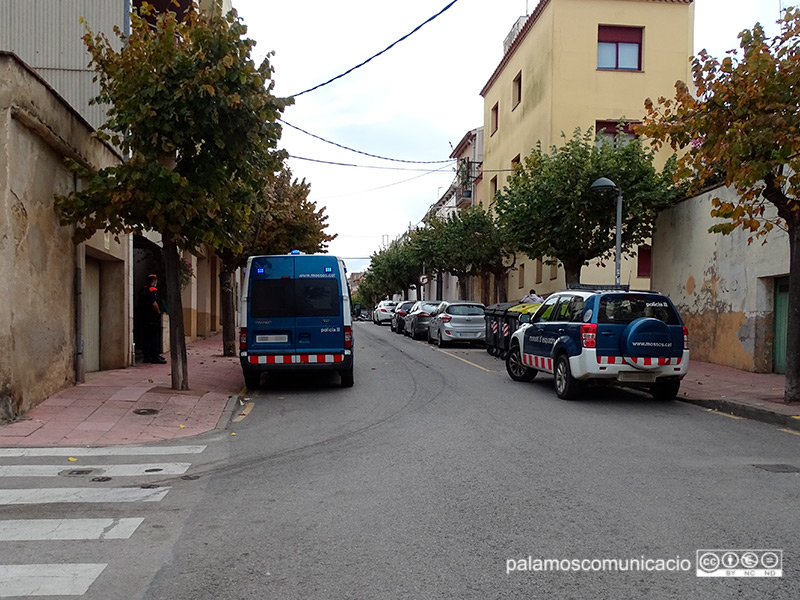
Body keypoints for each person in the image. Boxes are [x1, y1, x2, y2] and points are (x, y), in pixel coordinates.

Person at [138, 274, 167, 364]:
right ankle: (155, 356)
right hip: (152, 317)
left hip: (143, 317)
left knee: (146, 337)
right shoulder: (152, 290)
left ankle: (147, 356)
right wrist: (158, 312)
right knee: (154, 337)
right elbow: (154, 303)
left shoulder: (142, 290)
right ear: (154, 281)